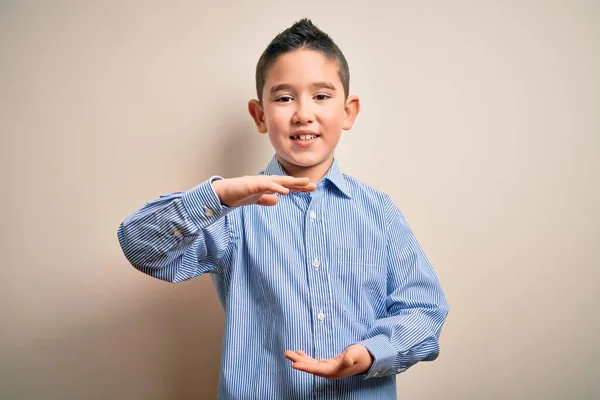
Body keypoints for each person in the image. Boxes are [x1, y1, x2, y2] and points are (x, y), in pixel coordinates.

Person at [118, 18, 448, 400]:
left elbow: (425, 309)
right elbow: (139, 247)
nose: (303, 113)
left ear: (348, 111)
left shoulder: (379, 212)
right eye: (284, 97)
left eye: (321, 96)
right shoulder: (233, 214)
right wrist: (220, 195)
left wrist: (370, 353)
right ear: (260, 116)